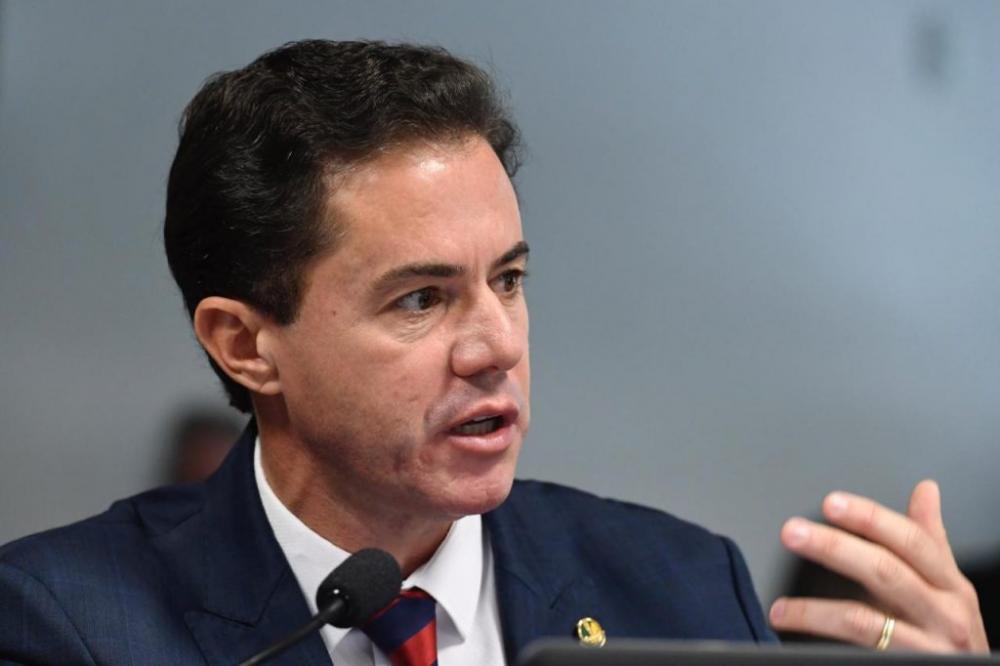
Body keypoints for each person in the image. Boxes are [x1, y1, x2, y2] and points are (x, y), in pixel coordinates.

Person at [0, 40, 988, 665]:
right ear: (246, 345)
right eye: (420, 299)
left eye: (507, 280)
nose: (496, 345)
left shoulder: (682, 587)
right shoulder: (65, 624)